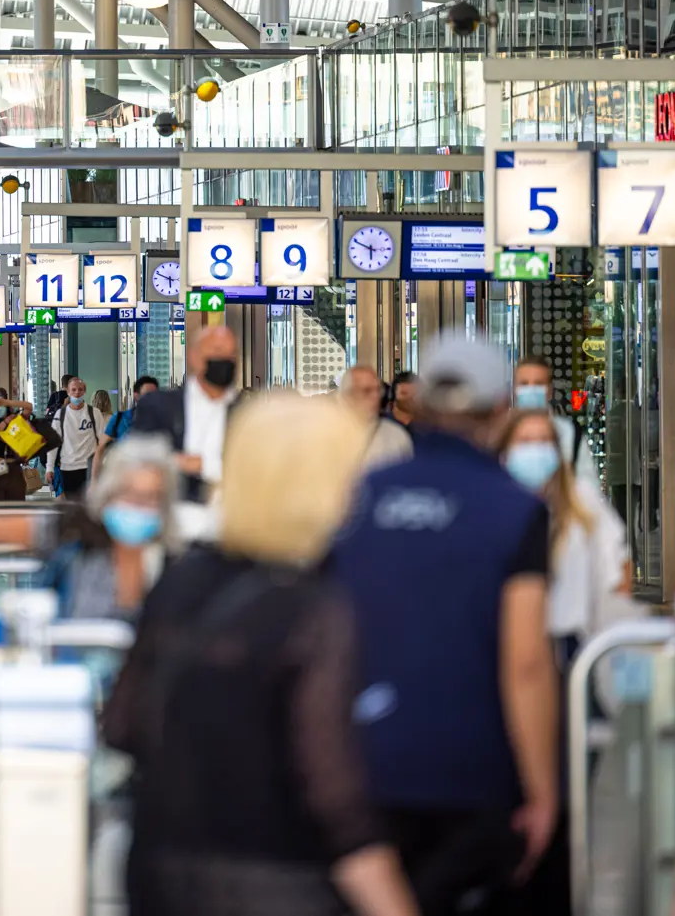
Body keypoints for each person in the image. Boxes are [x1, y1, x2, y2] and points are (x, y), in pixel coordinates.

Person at [101, 394, 419, 916]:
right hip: (277, 880)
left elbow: (122, 725)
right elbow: (334, 798)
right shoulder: (316, 608)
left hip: (159, 868)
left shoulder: (183, 579)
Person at [331, 333, 559, 915]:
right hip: (474, 767)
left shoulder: (359, 498)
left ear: (419, 404)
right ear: (503, 408)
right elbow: (526, 661)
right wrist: (543, 787)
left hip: (368, 761)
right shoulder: (513, 508)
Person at [0, 433, 175, 617]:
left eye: (152, 498)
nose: (139, 508)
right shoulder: (75, 527)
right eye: (130, 494)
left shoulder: (175, 550)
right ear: (109, 493)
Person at [496, 409, 631, 661]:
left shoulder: (583, 502)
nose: (535, 451)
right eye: (525, 441)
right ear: (505, 454)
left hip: (575, 642)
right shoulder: (492, 508)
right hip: (511, 644)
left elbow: (619, 569)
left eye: (544, 441)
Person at [130, 324, 242, 544]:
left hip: (231, 529)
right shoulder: (159, 406)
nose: (225, 359)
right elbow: (140, 458)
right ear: (194, 357)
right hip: (170, 528)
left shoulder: (247, 412)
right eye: (218, 351)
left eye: (232, 354)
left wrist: (203, 465)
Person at [512, 355, 598, 489]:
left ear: (550, 390)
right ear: (514, 388)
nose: (531, 389)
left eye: (539, 383)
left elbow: (589, 489)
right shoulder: (499, 435)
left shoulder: (571, 435)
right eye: (524, 383)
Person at [341, 365, 415, 470]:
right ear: (347, 396)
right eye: (367, 391)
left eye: (378, 390)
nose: (375, 397)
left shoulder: (396, 435)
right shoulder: (327, 434)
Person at [50, 377, 100, 499]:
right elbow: (53, 443)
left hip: (89, 467)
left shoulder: (94, 413)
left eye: (80, 389)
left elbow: (101, 440)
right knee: (72, 504)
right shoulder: (60, 414)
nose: (77, 393)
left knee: (90, 504)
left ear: (84, 391)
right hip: (68, 467)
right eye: (73, 390)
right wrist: (49, 467)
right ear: (68, 392)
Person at [0, 389, 36, 500]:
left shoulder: (16, 418)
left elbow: (28, 407)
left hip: (14, 466)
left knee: (16, 504)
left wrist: (7, 402)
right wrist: (5, 422)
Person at [98, 376, 158, 463]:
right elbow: (101, 446)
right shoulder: (119, 417)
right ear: (136, 395)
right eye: (147, 394)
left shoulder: (163, 419)